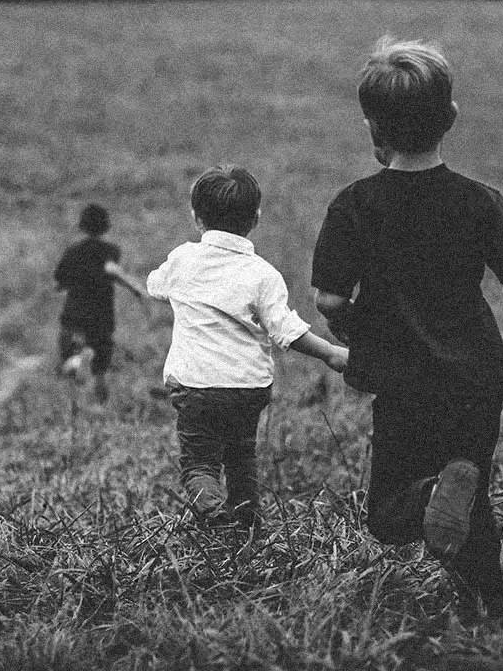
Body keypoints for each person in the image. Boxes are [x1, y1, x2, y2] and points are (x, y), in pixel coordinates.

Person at [311, 36, 503, 624]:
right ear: (450, 119)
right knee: (469, 499)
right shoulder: (480, 202)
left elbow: (329, 295)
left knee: (387, 513)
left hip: (402, 381)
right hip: (477, 378)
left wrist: (355, 327)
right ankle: (494, 610)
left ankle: (435, 498)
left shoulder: (356, 205)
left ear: (371, 127)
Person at [147, 164, 349, 531]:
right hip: (247, 388)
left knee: (198, 465)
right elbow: (284, 329)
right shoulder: (263, 274)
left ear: (196, 218)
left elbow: (156, 286)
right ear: (255, 218)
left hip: (196, 386)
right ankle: (249, 526)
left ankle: (213, 512)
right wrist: (331, 352)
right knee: (241, 458)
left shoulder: (183, 259)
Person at [54, 203, 147, 402]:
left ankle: (74, 366)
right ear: (106, 227)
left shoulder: (72, 252)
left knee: (68, 347)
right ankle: (99, 383)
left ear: (81, 226)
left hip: (74, 312)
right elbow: (113, 271)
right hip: (101, 314)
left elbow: (60, 279)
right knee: (102, 351)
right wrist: (136, 289)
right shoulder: (111, 250)